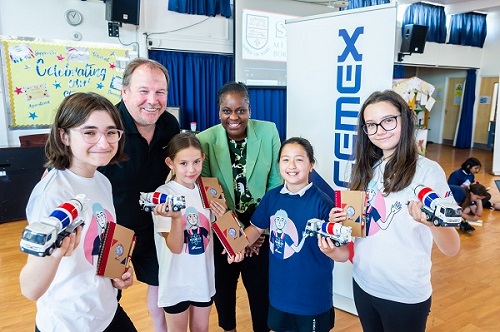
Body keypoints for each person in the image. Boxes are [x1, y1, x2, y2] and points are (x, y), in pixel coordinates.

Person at [331, 90, 460, 332]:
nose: (380, 130)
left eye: (388, 120)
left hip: (404, 293)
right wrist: (340, 222)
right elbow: (359, 230)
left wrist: (431, 223)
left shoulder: (427, 172)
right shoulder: (368, 169)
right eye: (371, 124)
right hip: (363, 283)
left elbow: (452, 248)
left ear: (405, 120)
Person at [19, 92, 136, 332]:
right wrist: (54, 255)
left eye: (111, 132)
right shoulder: (52, 194)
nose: (104, 142)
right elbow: (30, 289)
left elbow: (98, 244)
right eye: (90, 132)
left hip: (105, 310)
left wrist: (117, 269)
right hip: (69, 322)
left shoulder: (102, 181)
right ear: (64, 136)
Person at [232, 137, 350, 332]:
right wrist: (235, 246)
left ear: (311, 165)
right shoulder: (272, 197)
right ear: (279, 164)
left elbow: (343, 253)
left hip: (311, 298)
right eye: (285, 159)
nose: (292, 166)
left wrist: (331, 250)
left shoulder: (323, 203)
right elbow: (255, 229)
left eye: (299, 159)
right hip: (279, 295)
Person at [99, 57, 180, 331]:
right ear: (124, 92)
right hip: (112, 230)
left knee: (161, 281)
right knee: (108, 292)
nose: (152, 100)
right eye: (143, 91)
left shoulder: (169, 125)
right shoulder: (106, 125)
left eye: (160, 92)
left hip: (151, 224)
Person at [196, 81, 282, 332]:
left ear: (249, 110)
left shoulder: (268, 132)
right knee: (224, 288)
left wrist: (257, 232)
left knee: (260, 290)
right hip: (223, 226)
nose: (234, 117)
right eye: (227, 110)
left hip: (261, 222)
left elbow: (275, 185)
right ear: (219, 111)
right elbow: (213, 195)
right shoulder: (206, 140)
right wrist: (239, 236)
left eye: (240, 110)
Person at [152, 132, 226, 331]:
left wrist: (223, 216)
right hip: (175, 282)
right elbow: (175, 247)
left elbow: (220, 233)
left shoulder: (208, 189)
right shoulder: (164, 195)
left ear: (203, 158)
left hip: (202, 279)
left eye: (196, 162)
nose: (191, 169)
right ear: (170, 163)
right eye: (183, 163)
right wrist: (177, 219)